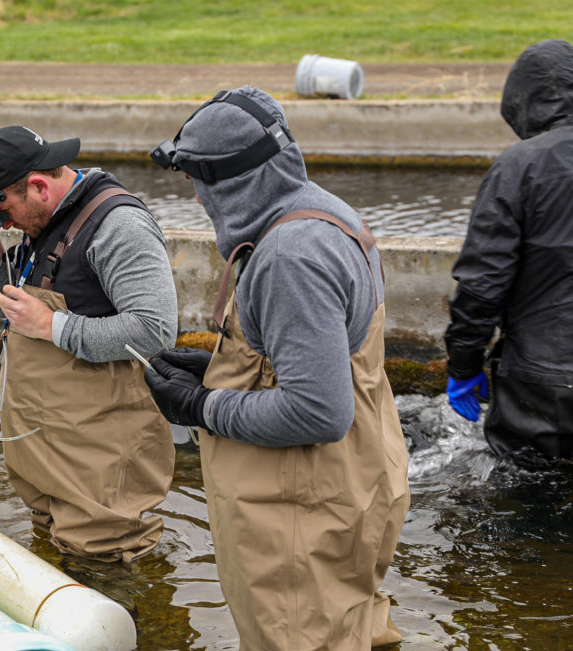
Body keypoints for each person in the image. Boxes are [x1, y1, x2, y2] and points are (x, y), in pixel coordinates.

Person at [142, 88, 410, 649]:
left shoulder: (290, 256)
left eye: (197, 183)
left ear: (229, 182)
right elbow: (319, 358)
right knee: (354, 630)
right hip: (358, 482)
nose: (194, 200)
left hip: (303, 513)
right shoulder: (326, 211)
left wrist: (202, 405)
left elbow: (317, 412)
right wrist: (215, 367)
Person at [0, 125, 178, 563]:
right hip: (45, 443)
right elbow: (13, 308)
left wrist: (53, 326)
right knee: (53, 557)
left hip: (98, 452)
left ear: (39, 185)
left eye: (6, 212)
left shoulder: (118, 225)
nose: (6, 223)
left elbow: (156, 330)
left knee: (105, 564)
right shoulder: (43, 215)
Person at [445, 39, 573, 461]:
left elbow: (483, 284)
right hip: (548, 372)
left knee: (528, 501)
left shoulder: (520, 166)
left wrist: (464, 365)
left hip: (543, 384)